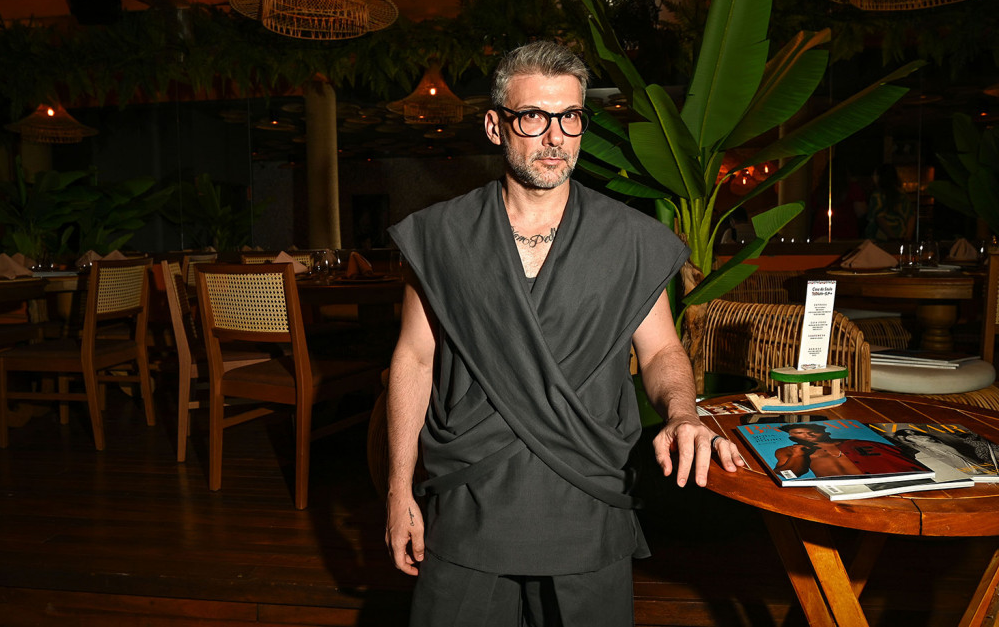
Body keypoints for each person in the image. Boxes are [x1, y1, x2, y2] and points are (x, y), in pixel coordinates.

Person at [383, 41, 745, 627]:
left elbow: (660, 350)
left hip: (584, 500)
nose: (555, 138)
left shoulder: (629, 239)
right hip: (469, 499)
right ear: (496, 126)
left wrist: (683, 413)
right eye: (533, 117)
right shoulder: (441, 235)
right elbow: (415, 358)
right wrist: (399, 488)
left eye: (570, 117)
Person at [773, 423, 927, 479]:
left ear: (824, 431)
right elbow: (789, 474)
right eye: (800, 433)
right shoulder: (789, 451)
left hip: (884, 481)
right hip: (839, 490)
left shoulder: (860, 443)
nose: (809, 435)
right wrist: (799, 454)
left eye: (813, 431)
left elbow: (903, 459)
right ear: (792, 437)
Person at [864, 163, 914, 240]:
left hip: (880, 239)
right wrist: (907, 236)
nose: (872, 177)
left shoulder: (877, 195)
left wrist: (892, 237)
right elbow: (911, 216)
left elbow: (879, 218)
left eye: (874, 175)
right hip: (901, 236)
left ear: (879, 177)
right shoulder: (903, 195)